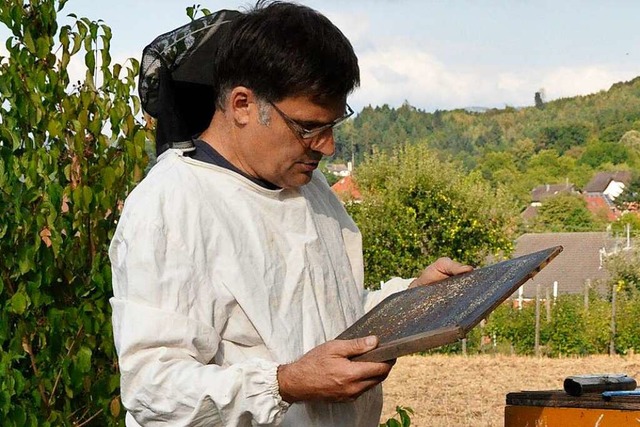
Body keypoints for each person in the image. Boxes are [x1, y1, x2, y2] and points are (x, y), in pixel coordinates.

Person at [109, 1, 472, 426]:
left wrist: (413, 299)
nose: (327, 146)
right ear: (242, 104)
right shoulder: (171, 205)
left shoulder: (313, 191)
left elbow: (331, 317)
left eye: (334, 125)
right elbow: (154, 387)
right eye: (308, 127)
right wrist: (285, 383)